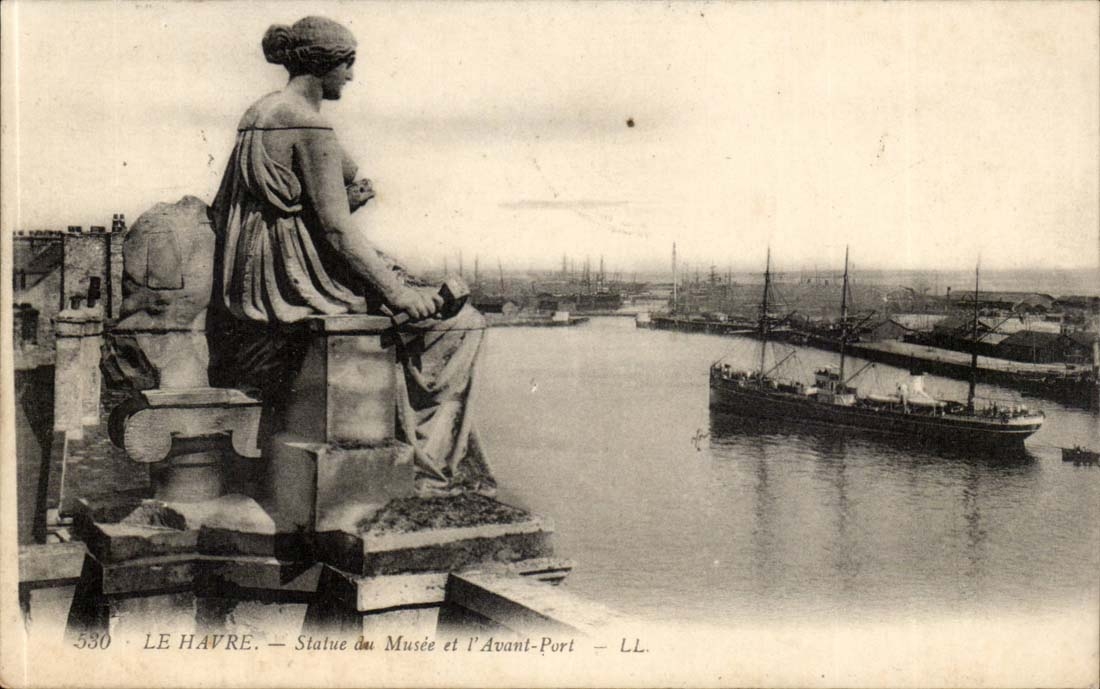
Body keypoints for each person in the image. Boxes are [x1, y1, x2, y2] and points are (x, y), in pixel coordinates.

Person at [207, 16, 494, 496]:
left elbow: (240, 207)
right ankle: (427, 464)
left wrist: (336, 205)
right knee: (464, 324)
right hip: (296, 285)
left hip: (256, 279)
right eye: (348, 64)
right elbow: (337, 231)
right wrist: (400, 294)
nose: (352, 76)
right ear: (324, 64)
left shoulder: (258, 113)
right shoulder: (309, 124)